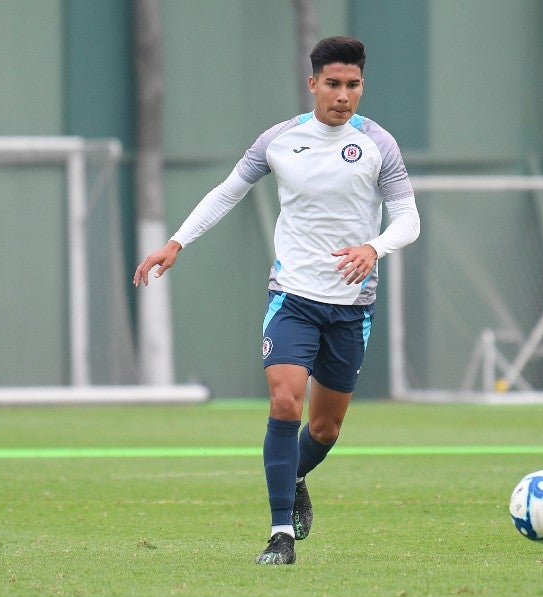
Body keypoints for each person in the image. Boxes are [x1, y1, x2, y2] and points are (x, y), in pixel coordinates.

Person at [133, 35, 420, 565]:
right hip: (292, 296)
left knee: (325, 428)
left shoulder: (379, 143)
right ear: (312, 84)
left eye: (352, 85)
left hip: (351, 306)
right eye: (332, 84)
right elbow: (227, 191)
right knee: (285, 401)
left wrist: (373, 247)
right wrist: (176, 242)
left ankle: (296, 474)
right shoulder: (279, 140)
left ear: (362, 86)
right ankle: (280, 536)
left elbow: (409, 219)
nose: (342, 95)